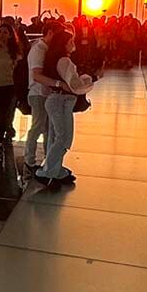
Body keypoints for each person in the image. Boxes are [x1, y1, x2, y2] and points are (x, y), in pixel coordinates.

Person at [36, 30, 96, 190]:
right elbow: (75, 85)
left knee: (56, 137)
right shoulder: (64, 61)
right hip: (62, 101)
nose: (73, 44)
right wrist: (90, 80)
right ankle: (48, 172)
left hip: (56, 100)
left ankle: (55, 170)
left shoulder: (54, 59)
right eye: (70, 41)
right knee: (64, 138)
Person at [24, 20, 61, 176]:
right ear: (51, 32)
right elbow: (36, 75)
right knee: (38, 126)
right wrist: (58, 84)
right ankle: (29, 159)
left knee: (46, 127)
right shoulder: (39, 50)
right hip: (38, 92)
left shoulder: (45, 48)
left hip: (44, 93)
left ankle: (47, 158)